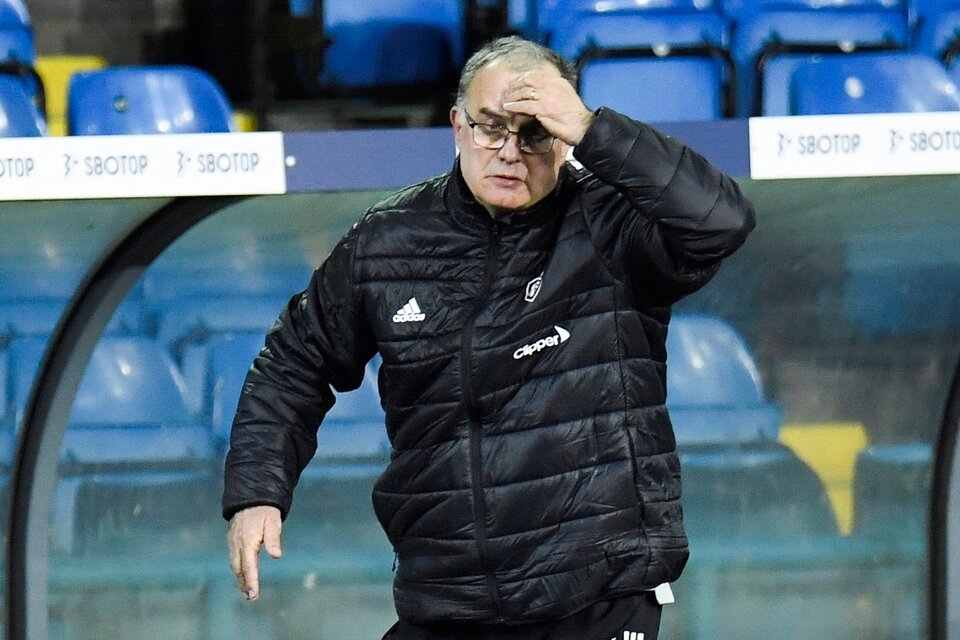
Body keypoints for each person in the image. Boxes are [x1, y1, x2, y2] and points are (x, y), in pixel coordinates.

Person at [223, 35, 755, 640]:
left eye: (533, 132)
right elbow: (293, 362)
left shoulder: (610, 226)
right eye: (490, 127)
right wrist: (257, 492)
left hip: (594, 598)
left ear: (563, 139)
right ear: (456, 124)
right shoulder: (388, 240)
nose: (508, 152)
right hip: (447, 600)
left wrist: (593, 126)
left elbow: (721, 221)